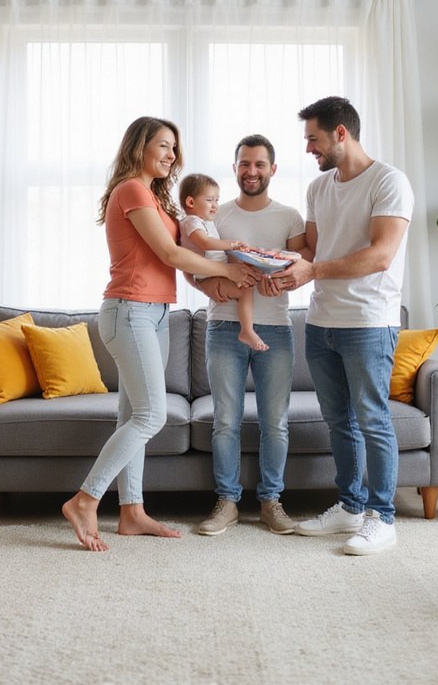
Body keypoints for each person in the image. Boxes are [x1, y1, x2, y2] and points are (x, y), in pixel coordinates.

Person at [61, 117, 262, 552]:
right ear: (139, 146)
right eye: (163, 145)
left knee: (133, 415)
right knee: (152, 415)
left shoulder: (152, 196)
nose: (172, 155)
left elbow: (181, 257)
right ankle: (85, 498)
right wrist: (227, 267)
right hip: (129, 311)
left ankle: (132, 512)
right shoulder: (132, 189)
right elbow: (170, 252)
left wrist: (221, 277)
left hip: (153, 314)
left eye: (175, 148)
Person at [270, 97, 413, 556]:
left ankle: (382, 517)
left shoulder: (389, 182)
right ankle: (350, 507)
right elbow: (314, 252)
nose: (309, 148)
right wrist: (281, 264)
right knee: (339, 421)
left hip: (369, 321)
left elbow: (380, 255)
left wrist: (312, 271)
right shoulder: (318, 188)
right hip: (321, 321)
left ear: (341, 134)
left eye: (313, 138)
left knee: (372, 419)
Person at [191, 135, 309, 537]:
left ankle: (270, 503)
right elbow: (190, 266)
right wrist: (210, 286)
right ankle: (226, 502)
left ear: (272, 169)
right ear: (235, 167)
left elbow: (300, 267)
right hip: (224, 327)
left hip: (276, 328)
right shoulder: (215, 215)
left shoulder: (290, 217)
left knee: (275, 422)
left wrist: (283, 281)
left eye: (259, 164)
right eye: (245, 164)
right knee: (226, 420)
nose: (252, 171)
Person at [178, 172, 274, 352]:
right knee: (245, 289)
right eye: (209, 200)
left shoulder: (204, 221)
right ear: (191, 203)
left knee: (247, 280)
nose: (215, 206)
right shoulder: (192, 222)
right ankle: (247, 330)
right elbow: (205, 243)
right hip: (208, 275)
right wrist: (233, 245)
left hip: (213, 272)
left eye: (217, 200)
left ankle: (247, 329)